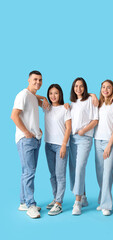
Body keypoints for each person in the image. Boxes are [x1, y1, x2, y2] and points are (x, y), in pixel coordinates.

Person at [11, 70, 43, 219]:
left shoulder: (32, 96)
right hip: (26, 140)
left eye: (40, 80)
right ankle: (31, 205)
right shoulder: (23, 95)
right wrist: (27, 132)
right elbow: (14, 115)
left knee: (27, 172)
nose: (38, 82)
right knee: (29, 172)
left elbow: (36, 99)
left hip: (35, 138)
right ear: (29, 80)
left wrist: (36, 129)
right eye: (35, 79)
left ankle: (23, 202)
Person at [37, 84, 71, 216]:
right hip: (48, 145)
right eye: (50, 93)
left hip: (61, 145)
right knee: (52, 174)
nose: (53, 96)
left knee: (60, 174)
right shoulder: (46, 107)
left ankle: (59, 203)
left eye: (56, 93)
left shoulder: (65, 108)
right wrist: (43, 98)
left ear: (60, 94)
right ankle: (55, 197)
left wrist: (63, 145)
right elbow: (32, 96)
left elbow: (68, 128)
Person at [69, 77, 98, 215]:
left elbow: (95, 120)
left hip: (84, 138)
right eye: (76, 86)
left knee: (80, 167)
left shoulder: (90, 100)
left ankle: (77, 202)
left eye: (81, 86)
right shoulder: (72, 103)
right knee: (75, 169)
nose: (78, 88)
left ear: (85, 87)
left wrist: (84, 130)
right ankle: (84, 197)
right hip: (72, 138)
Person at [94, 80, 113, 216]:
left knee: (107, 173)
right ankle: (102, 199)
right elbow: (89, 96)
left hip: (110, 142)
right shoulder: (98, 104)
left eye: (108, 87)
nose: (105, 89)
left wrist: (110, 144)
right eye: (103, 87)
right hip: (97, 141)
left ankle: (106, 205)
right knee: (100, 173)